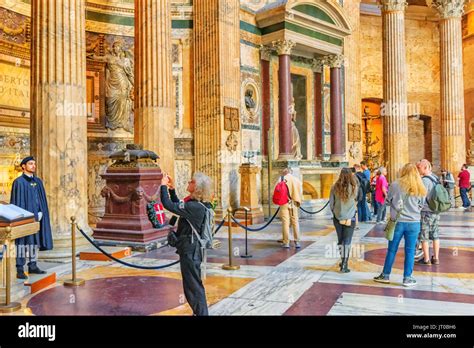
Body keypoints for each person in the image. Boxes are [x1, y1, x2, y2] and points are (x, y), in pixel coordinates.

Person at [160, 172, 213, 316]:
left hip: (191, 250)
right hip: (191, 248)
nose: (189, 182)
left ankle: (201, 313)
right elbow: (179, 206)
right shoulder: (196, 205)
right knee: (193, 284)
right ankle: (199, 312)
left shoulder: (195, 207)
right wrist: (171, 190)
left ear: (197, 188)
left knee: (193, 286)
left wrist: (163, 186)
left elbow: (169, 205)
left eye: (192, 181)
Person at [374, 163, 426, 287]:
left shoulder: (395, 184)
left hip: (397, 222)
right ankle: (407, 278)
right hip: (413, 223)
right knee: (410, 251)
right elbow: (421, 205)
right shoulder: (420, 186)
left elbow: (388, 200)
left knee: (392, 249)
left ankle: (385, 275)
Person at [10, 156, 53, 279]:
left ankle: (33, 265)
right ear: (23, 166)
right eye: (30, 163)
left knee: (35, 241)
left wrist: (41, 212)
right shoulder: (19, 182)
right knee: (22, 242)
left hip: (37, 217)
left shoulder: (38, 181)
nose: (33, 166)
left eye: (34, 163)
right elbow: (16, 202)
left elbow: (41, 199)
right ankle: (19, 268)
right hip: (25, 218)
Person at [330, 168, 361, 273]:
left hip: (337, 217)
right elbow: (357, 199)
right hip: (350, 217)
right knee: (347, 241)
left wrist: (336, 212)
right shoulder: (354, 187)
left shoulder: (334, 187)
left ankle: (343, 260)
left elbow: (331, 203)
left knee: (340, 240)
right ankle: (344, 264)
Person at [416, 159, 441, 265]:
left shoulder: (425, 180)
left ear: (425, 167)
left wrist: (417, 208)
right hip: (436, 210)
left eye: (419, 167)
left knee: (424, 235)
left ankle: (426, 259)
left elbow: (422, 196)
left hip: (426, 211)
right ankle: (436, 258)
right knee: (435, 235)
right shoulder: (435, 178)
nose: (418, 169)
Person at [276, 168, 303, 248]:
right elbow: (300, 193)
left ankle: (286, 242)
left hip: (284, 202)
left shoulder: (281, 179)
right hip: (294, 203)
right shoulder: (297, 180)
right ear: (291, 172)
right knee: (295, 222)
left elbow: (277, 190)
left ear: (284, 173)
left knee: (285, 222)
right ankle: (297, 241)